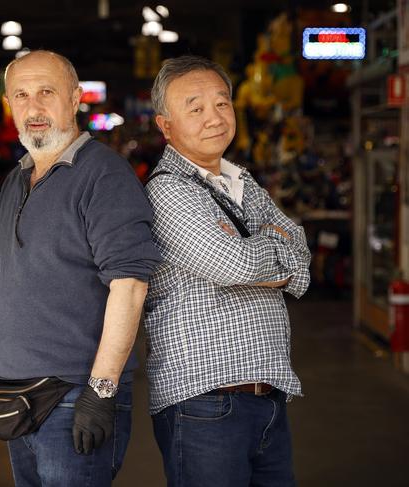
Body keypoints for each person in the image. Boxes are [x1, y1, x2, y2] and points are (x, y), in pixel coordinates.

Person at [0, 50, 161, 486]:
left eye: (46, 92)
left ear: (75, 99)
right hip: (14, 394)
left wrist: (101, 392)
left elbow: (130, 285)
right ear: (9, 104)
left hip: (73, 398)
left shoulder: (104, 176)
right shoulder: (15, 178)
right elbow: (15, 279)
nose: (33, 107)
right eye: (21, 95)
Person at [144, 55, 311, 487]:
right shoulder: (167, 192)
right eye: (195, 108)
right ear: (165, 126)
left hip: (267, 397)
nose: (213, 118)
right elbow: (233, 263)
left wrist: (266, 254)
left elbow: (301, 255)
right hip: (205, 405)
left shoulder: (242, 182)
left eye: (221, 103)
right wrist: (272, 249)